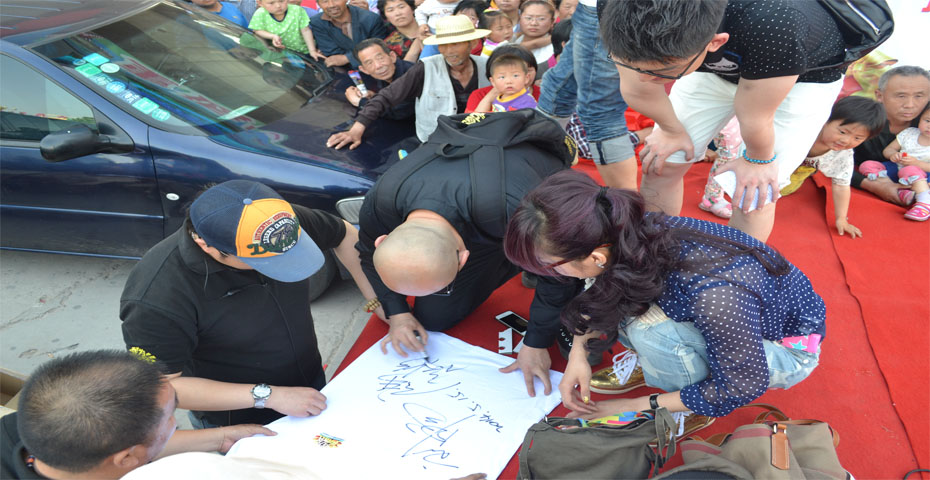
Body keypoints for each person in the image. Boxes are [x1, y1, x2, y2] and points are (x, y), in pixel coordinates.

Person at [503, 170, 826, 430]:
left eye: (549, 266)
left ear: (596, 256)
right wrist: (578, 355)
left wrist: (634, 406)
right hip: (723, 315)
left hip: (785, 349)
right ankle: (658, 366)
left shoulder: (716, 296)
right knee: (621, 301)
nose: (547, 274)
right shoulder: (620, 233)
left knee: (650, 331)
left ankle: (689, 407)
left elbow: (741, 385)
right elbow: (599, 291)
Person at [120, 180, 385, 429]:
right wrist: (268, 396)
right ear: (206, 245)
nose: (282, 263)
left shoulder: (271, 220)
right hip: (238, 419)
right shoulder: (157, 297)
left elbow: (343, 233)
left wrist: (379, 301)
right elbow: (163, 387)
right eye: (264, 260)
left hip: (310, 383)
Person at [355, 110, 579, 397]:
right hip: (479, 209)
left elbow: (559, 273)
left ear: (463, 258)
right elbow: (366, 254)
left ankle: (522, 260)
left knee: (547, 262)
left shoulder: (521, 211)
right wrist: (397, 312)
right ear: (382, 239)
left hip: (527, 181)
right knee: (435, 319)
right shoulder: (382, 202)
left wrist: (536, 341)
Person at [600, 0, 847, 242]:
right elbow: (637, 87)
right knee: (663, 160)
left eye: (659, 72)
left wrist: (759, 160)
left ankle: (737, 266)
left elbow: (757, 116)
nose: (644, 79)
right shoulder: (616, 6)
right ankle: (652, 251)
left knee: (754, 192)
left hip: (802, 76)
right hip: (712, 64)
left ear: (714, 42)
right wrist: (670, 130)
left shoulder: (776, 22)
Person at [0, 350, 271, 480]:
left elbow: (131, 446)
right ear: (127, 459)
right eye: (170, 416)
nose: (174, 421)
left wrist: (221, 436)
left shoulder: (24, 427)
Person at [326, 15, 490, 147]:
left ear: (473, 43)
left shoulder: (488, 67)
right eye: (443, 45)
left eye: (455, 44)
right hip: (436, 142)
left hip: (479, 138)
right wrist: (356, 129)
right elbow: (386, 97)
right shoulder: (425, 68)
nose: (448, 51)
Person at [534, 0, 636, 190]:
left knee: (600, 110)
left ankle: (626, 202)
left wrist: (671, 129)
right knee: (559, 87)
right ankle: (535, 178)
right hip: (595, 9)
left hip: (610, 10)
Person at [778, 96, 886, 235]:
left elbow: (841, 186)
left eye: (857, 138)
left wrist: (841, 219)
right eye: (842, 132)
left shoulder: (843, 156)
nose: (846, 140)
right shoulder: (803, 129)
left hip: (786, 184)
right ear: (826, 119)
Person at [852, 66, 930, 209]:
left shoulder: (926, 121)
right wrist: (878, 187)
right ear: (879, 95)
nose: (910, 105)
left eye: (919, 96)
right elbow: (828, 159)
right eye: (901, 96)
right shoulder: (860, 120)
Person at [860, 103, 930, 221]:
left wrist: (916, 163)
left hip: (921, 176)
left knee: (909, 169)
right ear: (920, 118)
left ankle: (924, 203)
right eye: (927, 120)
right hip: (896, 169)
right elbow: (888, 150)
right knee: (867, 165)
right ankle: (895, 189)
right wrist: (893, 154)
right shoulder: (909, 133)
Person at [344, 39, 416, 120]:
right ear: (364, 70)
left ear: (392, 56)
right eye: (369, 63)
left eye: (380, 58)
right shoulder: (384, 76)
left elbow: (398, 113)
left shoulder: (410, 75)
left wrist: (360, 102)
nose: (378, 66)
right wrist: (374, 96)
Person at [310, 0, 389, 68]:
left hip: (378, 66)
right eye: (325, 1)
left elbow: (379, 48)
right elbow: (331, 53)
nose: (331, 5)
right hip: (345, 71)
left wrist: (346, 58)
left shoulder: (370, 18)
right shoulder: (317, 22)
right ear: (318, 4)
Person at [466, 44, 538, 113]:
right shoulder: (479, 95)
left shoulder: (542, 94)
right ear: (492, 78)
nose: (510, 80)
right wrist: (489, 99)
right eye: (503, 76)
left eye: (516, 75)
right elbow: (471, 120)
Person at [249, 0, 323, 60]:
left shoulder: (297, 10)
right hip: (283, 54)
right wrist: (272, 36)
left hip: (304, 51)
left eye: (281, 1)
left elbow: (306, 30)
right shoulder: (260, 13)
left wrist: (312, 51)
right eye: (271, 3)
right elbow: (257, 30)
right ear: (260, 3)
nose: (278, 6)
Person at [512, 0, 554, 68]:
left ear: (552, 22)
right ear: (519, 19)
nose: (533, 23)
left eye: (541, 19)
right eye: (528, 18)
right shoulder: (511, 40)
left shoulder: (555, 48)